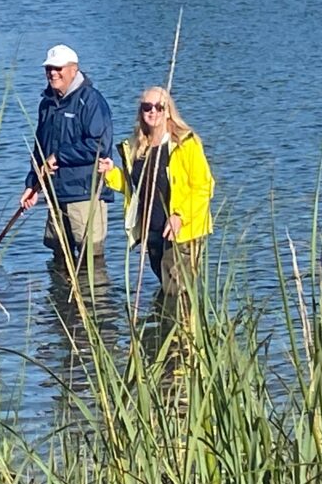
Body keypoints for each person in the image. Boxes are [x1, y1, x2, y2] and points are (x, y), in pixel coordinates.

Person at [103, 86, 214, 301]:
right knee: (167, 287)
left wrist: (180, 216)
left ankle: (185, 331)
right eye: (147, 107)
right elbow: (134, 187)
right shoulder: (136, 146)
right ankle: (170, 331)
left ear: (169, 110)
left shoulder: (185, 143)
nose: (153, 112)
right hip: (151, 231)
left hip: (183, 233)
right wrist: (110, 173)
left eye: (159, 107)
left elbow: (204, 187)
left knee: (176, 292)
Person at [20, 45, 115, 264]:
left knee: (90, 262)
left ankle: (93, 299)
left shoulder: (91, 101)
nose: (53, 73)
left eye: (58, 68)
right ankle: (62, 298)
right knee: (59, 258)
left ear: (73, 69)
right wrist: (32, 185)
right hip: (56, 195)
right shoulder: (46, 104)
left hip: (85, 195)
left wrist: (59, 157)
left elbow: (98, 146)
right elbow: (40, 148)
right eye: (49, 68)